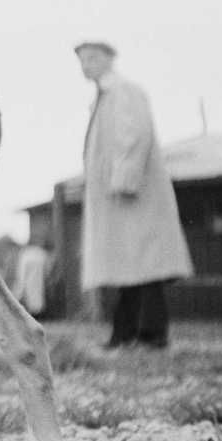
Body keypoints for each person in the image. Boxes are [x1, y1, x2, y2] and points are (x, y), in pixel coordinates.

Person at [75, 41, 192, 349]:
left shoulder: (126, 92)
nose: (86, 65)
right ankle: (124, 332)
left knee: (144, 264)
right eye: (82, 60)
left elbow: (133, 135)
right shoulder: (103, 97)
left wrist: (124, 181)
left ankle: (152, 333)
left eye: (91, 58)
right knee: (127, 265)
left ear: (108, 59)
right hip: (115, 197)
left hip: (131, 194)